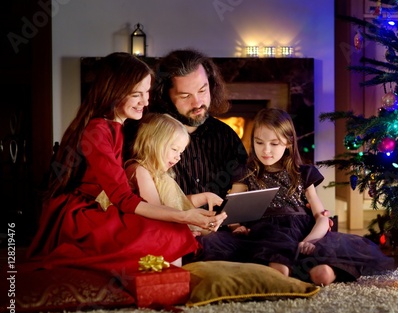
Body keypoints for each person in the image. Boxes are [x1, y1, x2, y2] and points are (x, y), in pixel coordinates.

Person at [26, 52, 226, 272]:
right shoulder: (98, 131)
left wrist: (187, 215)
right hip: (85, 215)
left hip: (107, 206)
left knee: (170, 229)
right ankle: (165, 284)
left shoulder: (118, 127)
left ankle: (168, 282)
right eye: (136, 95)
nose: (145, 101)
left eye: (147, 92)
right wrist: (183, 216)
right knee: (167, 232)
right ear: (114, 92)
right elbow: (123, 199)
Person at [198, 108, 394, 286]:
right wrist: (235, 226)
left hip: (302, 231)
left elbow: (321, 216)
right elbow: (232, 211)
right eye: (259, 142)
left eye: (274, 143)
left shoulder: (303, 173)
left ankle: (311, 270)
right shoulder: (245, 172)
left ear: (288, 143)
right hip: (265, 234)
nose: (266, 150)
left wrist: (311, 240)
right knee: (276, 268)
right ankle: (289, 275)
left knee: (322, 275)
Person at [144, 48, 248, 199]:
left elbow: (242, 183)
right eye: (185, 96)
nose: (198, 103)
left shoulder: (225, 135)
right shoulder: (149, 136)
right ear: (165, 96)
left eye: (202, 91)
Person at [125, 112, 225, 244]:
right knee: (214, 241)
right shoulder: (140, 170)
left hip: (167, 222)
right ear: (153, 143)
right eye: (174, 149)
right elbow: (157, 210)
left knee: (216, 236)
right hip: (149, 231)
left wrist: (205, 197)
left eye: (181, 152)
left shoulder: (160, 174)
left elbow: (175, 202)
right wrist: (183, 230)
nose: (178, 157)